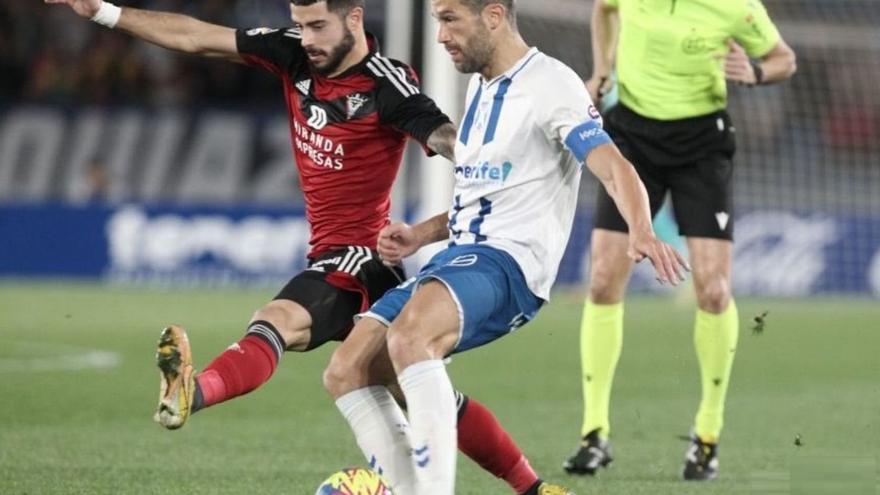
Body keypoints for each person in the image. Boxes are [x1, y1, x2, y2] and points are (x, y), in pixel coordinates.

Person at [45, 0, 568, 492]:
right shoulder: (292, 53)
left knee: (278, 320)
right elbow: (196, 37)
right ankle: (532, 486)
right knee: (423, 395)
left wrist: (497, 160)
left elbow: (451, 140)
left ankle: (194, 391)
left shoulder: (388, 84)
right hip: (334, 258)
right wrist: (106, 12)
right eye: (301, 24)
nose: (308, 37)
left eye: (319, 25)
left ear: (355, 19)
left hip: (361, 261)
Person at [321, 0, 690, 493]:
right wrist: (421, 235)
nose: (440, 36)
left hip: (512, 264)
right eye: (437, 21)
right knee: (348, 370)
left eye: (450, 19)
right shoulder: (480, 87)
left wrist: (641, 228)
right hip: (461, 257)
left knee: (411, 338)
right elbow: (483, 196)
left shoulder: (551, 84)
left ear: (493, 16)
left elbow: (612, 164)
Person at [563, 0, 797, 481]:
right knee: (604, 279)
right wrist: (602, 69)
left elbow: (784, 60)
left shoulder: (736, 7)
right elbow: (603, 9)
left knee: (714, 290)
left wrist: (753, 73)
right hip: (631, 135)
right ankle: (594, 433)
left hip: (701, 145)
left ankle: (707, 436)